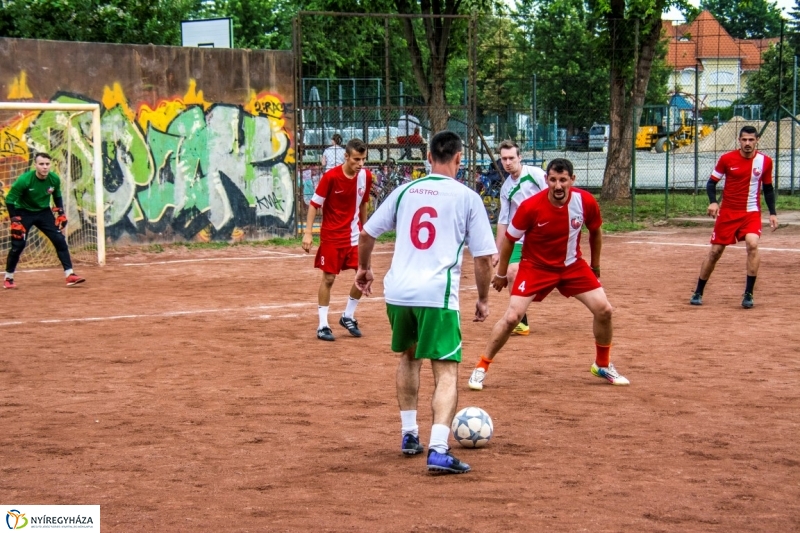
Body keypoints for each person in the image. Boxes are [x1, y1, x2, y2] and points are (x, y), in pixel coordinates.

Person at [356, 130, 496, 475]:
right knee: (446, 370)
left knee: (408, 356)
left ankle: (408, 435)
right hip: (437, 295)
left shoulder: (404, 191)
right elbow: (482, 258)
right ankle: (437, 449)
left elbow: (367, 233)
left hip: (399, 292)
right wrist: (482, 298)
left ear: (428, 158)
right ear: (459, 158)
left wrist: (363, 268)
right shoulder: (467, 197)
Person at [467, 158, 629, 391]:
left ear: (572, 180)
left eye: (563, 180)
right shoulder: (531, 206)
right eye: (553, 180)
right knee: (512, 317)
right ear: (546, 180)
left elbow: (595, 232)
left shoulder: (586, 202)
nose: (558, 185)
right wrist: (501, 274)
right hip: (535, 267)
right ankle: (481, 367)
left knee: (604, 310)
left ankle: (602, 365)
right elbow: (510, 240)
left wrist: (595, 266)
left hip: (572, 266)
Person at [689, 125, 778, 309]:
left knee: (752, 244)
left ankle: (748, 294)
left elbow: (768, 189)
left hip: (751, 212)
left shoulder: (766, 162)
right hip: (728, 213)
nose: (747, 143)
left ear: (757, 140)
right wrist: (713, 202)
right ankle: (698, 290)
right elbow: (711, 183)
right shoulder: (727, 159)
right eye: (744, 139)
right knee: (715, 252)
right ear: (739, 140)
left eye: (751, 140)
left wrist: (773, 213)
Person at [302, 138, 373, 341]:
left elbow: (363, 205)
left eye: (363, 159)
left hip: (354, 237)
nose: (360, 164)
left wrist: (365, 232)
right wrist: (308, 232)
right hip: (332, 237)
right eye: (356, 159)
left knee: (364, 275)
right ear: (346, 157)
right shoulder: (331, 177)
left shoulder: (365, 177)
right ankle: (323, 325)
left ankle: (348, 316)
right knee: (329, 279)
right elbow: (314, 204)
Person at [4, 152, 85, 289]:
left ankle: (70, 275)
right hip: (23, 212)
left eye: (47, 164)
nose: (45, 167)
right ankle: (8, 278)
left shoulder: (54, 179)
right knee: (18, 246)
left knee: (59, 240)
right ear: (35, 165)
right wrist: (15, 220)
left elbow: (57, 195)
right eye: (41, 164)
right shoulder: (25, 180)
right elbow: (10, 200)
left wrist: (61, 213)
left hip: (43, 213)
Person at [493, 139, 547, 336]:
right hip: (521, 238)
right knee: (511, 272)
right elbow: (503, 221)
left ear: (520, 157)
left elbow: (553, 197)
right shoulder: (506, 188)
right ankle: (521, 321)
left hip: (543, 235)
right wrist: (497, 251)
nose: (507, 162)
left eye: (511, 158)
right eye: (504, 159)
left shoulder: (536, 175)